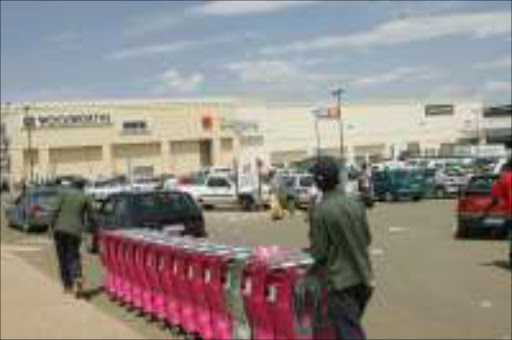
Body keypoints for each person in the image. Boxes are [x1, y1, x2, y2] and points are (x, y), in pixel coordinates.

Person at [308, 156, 374, 340]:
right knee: (347, 327)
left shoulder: (321, 211)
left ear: (319, 182)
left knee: (349, 333)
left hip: (341, 284)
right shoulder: (356, 203)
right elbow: (367, 239)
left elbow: (319, 252)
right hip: (364, 279)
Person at [50, 179, 95, 298]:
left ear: (72, 185)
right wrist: (93, 230)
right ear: (82, 186)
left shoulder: (63, 193)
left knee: (62, 258)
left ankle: (67, 286)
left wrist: (51, 225)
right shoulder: (85, 197)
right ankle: (77, 275)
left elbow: (54, 211)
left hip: (60, 230)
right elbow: (91, 216)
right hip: (75, 231)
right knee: (73, 255)